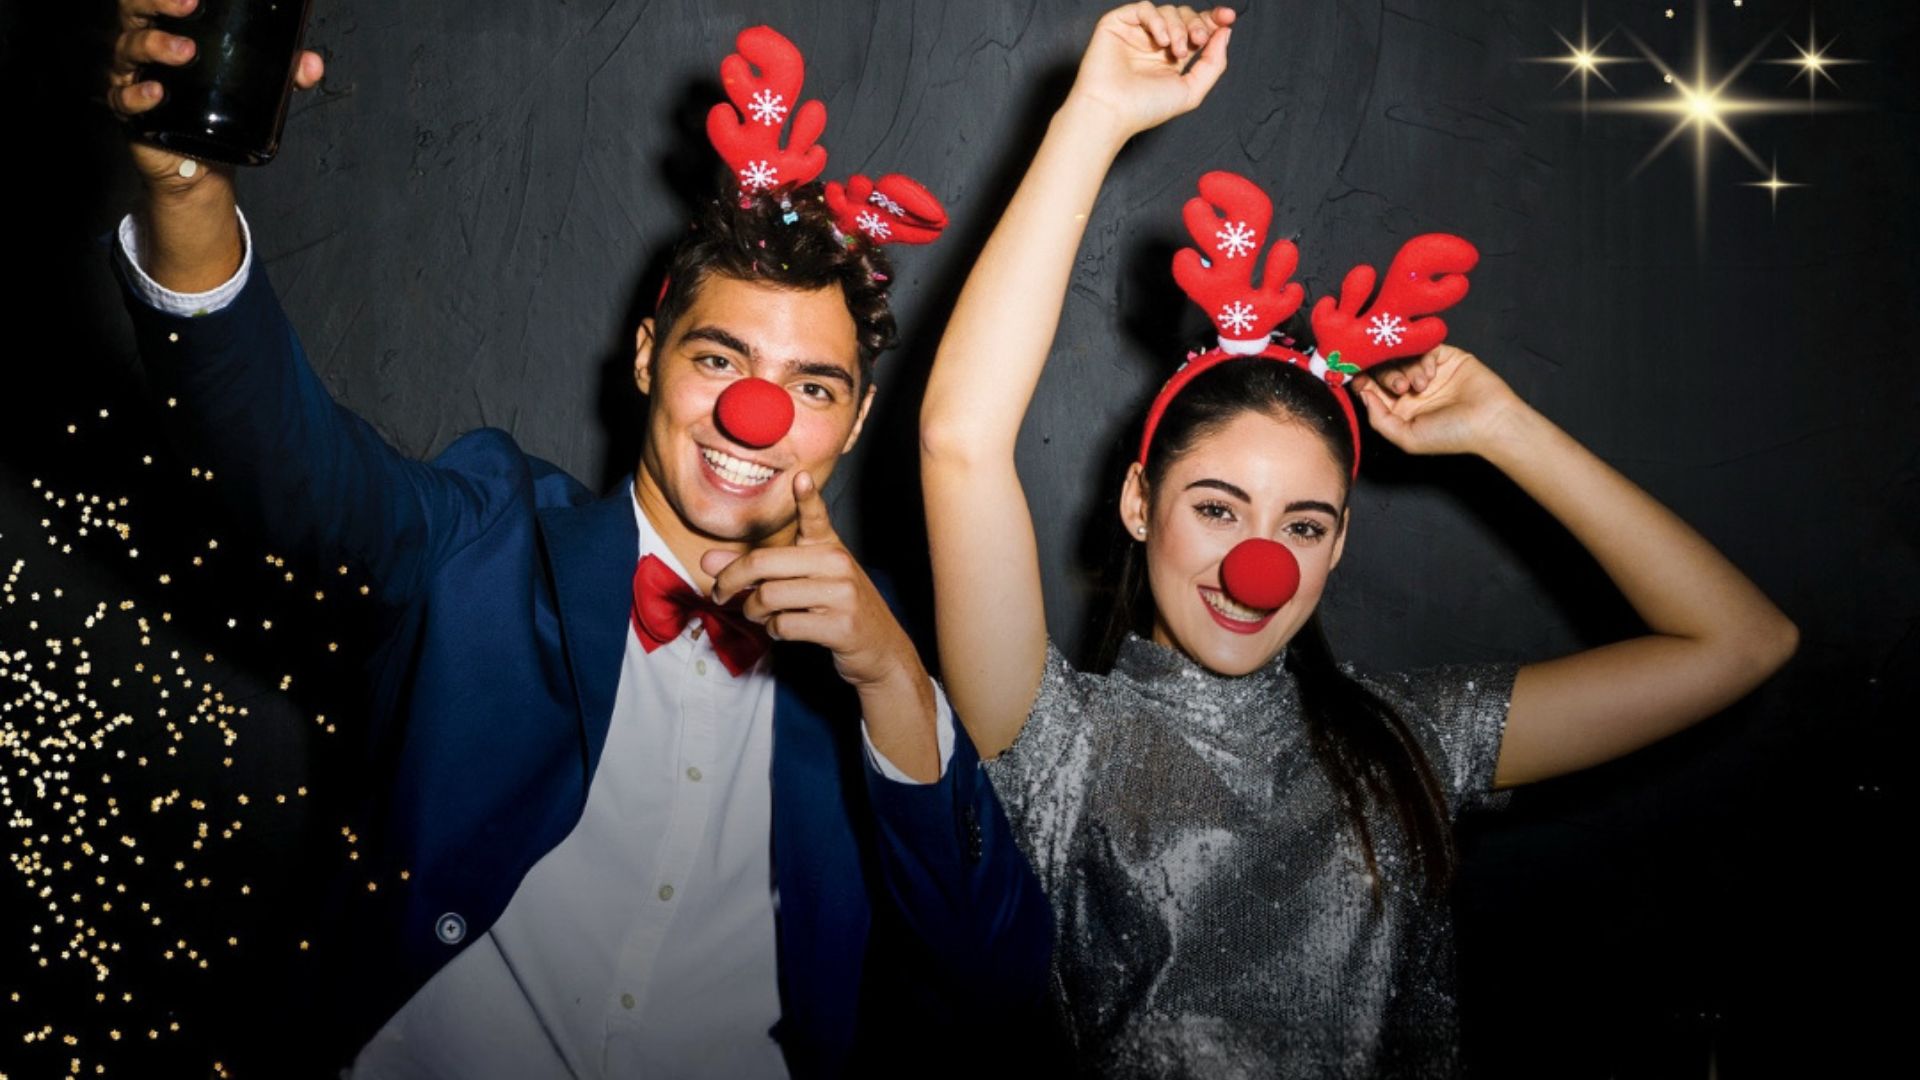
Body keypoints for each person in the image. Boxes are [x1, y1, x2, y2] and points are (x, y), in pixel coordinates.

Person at [105, 4, 1049, 1077]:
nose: (755, 418)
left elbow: (995, 986)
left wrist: (890, 680)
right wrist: (190, 190)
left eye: (813, 386)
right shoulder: (486, 538)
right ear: (647, 357)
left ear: (858, 421)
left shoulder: (884, 672)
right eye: (719, 360)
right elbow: (283, 463)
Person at [918, 4, 1798, 1076]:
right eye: (1217, 508)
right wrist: (1094, 116)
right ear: (1140, 504)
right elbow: (960, 442)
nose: (1259, 566)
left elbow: (1742, 643)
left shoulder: (1409, 739)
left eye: (1304, 524)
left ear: (1337, 549)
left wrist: (1507, 429)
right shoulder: (1054, 737)